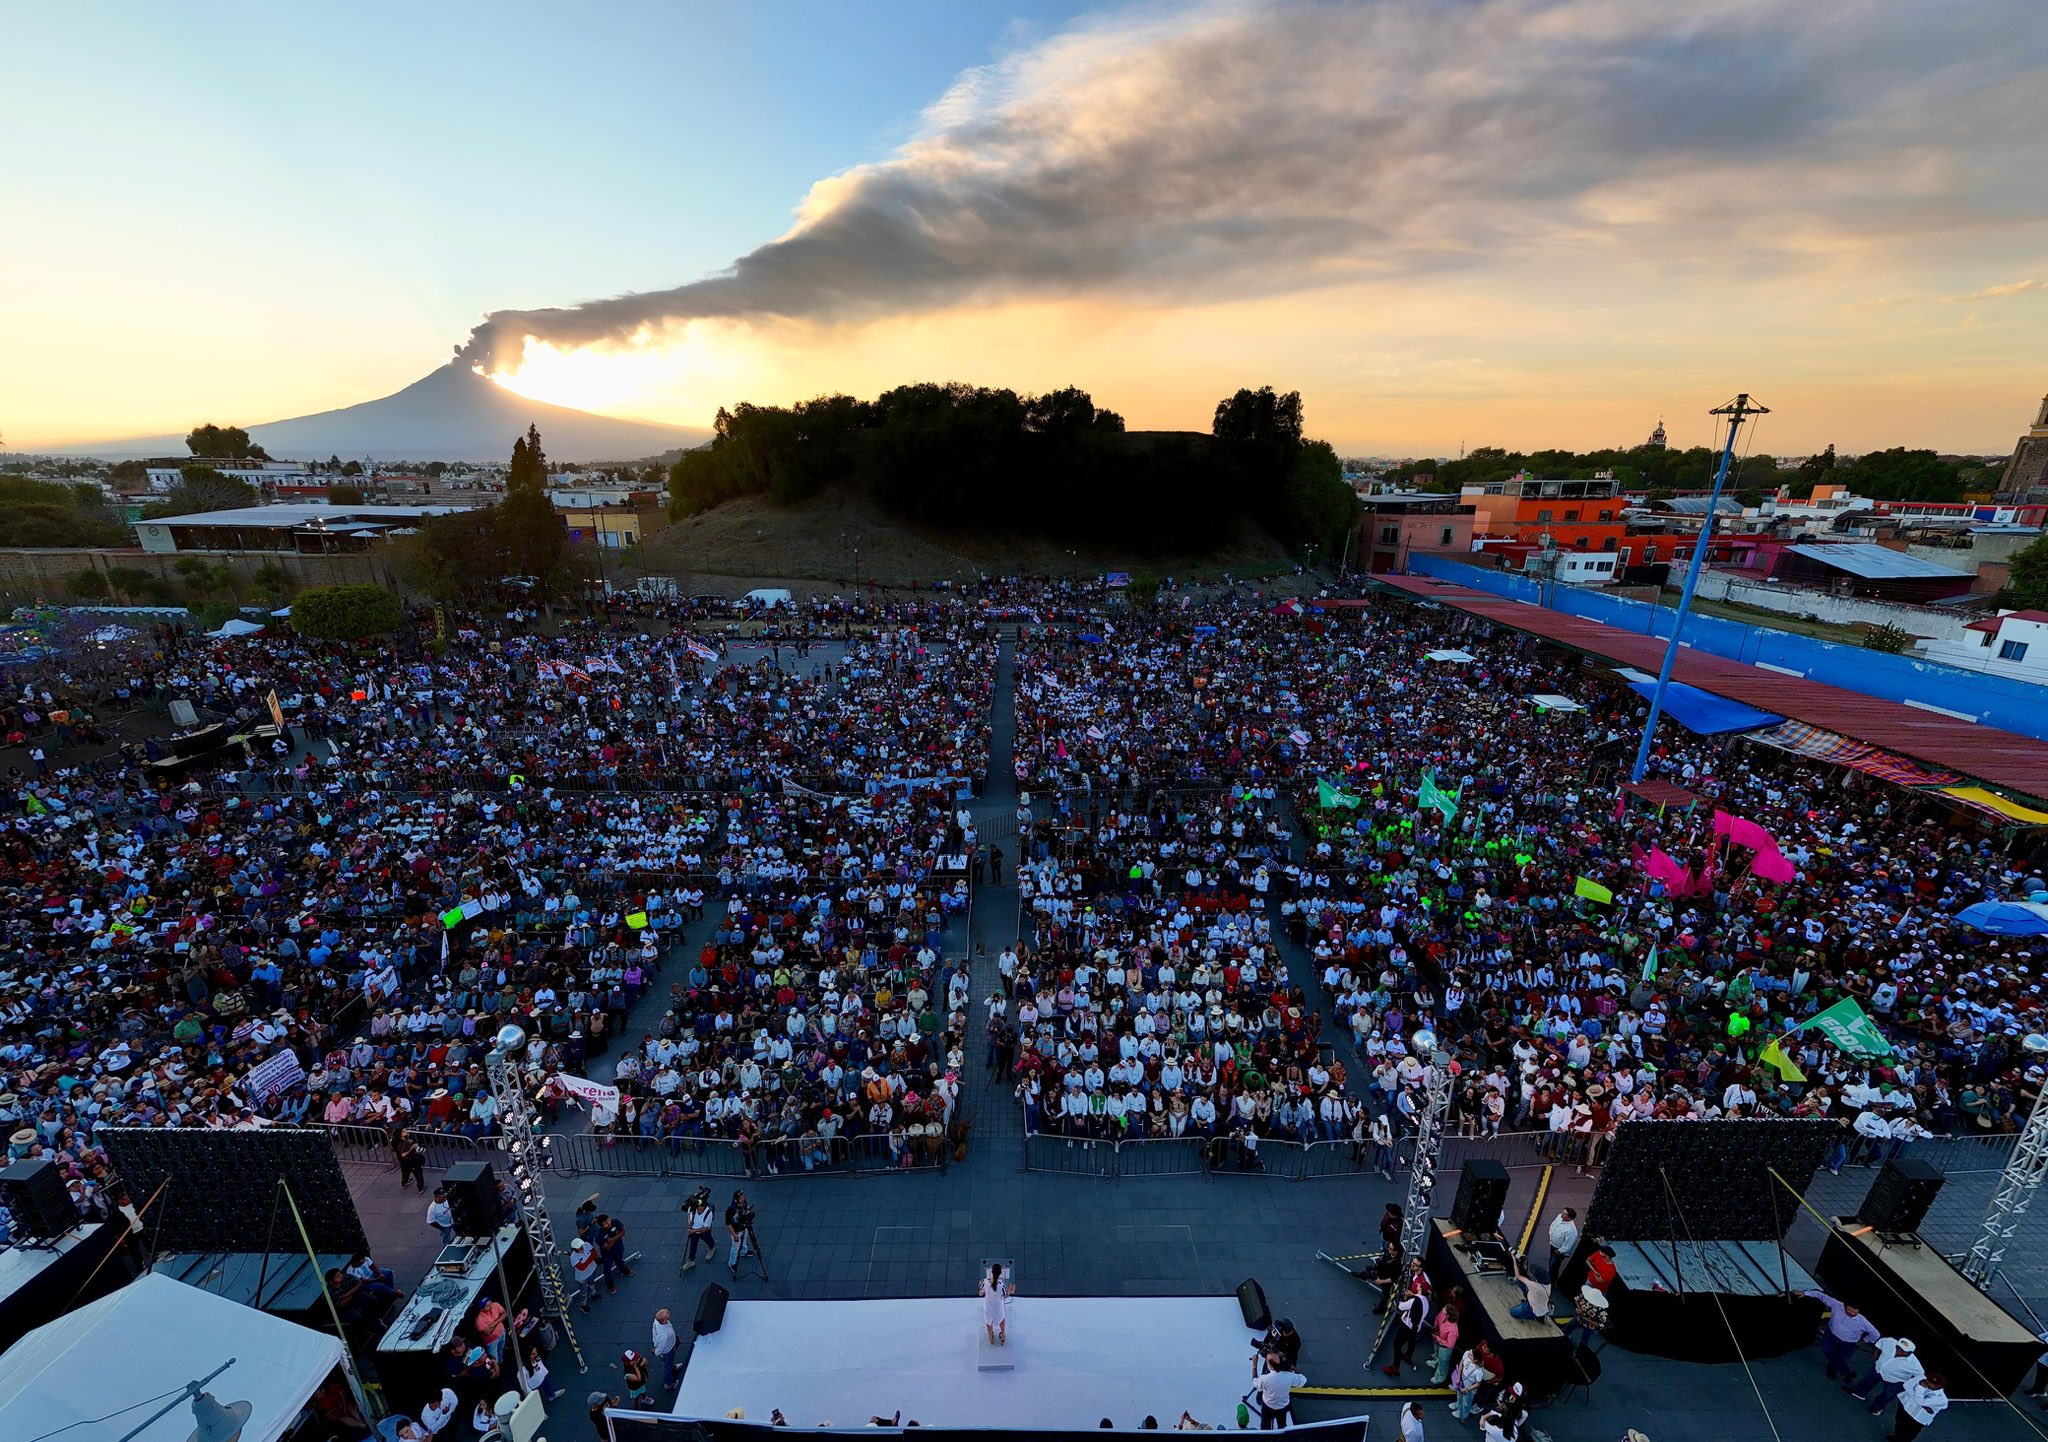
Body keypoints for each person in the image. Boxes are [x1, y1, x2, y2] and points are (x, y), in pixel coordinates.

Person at [1801, 1287, 1881, 1381]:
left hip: (1848, 1343)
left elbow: (1875, 1334)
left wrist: (1862, 1341)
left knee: (1842, 1359)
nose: (1851, 1313)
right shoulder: (1837, 1305)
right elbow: (1821, 1295)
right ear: (1845, 1306)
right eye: (1849, 1310)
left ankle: (1837, 1370)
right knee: (1827, 1350)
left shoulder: (1863, 1322)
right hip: (1831, 1335)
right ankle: (1845, 1372)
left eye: (1855, 1312)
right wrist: (1805, 1293)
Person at [1851, 1334, 1924, 1416]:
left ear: (1910, 1353)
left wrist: (1912, 1386)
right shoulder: (1890, 1342)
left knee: (1887, 1395)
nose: (1899, 1352)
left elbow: (1920, 1376)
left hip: (1895, 1381)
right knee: (1867, 1381)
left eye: (1903, 1351)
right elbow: (1880, 1342)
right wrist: (1876, 1352)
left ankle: (1877, 1407)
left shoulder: (1915, 1364)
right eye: (1898, 1348)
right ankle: (1859, 1393)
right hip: (1877, 1370)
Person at [1250, 1352, 1306, 1430]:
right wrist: (1293, 1368)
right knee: (1282, 1424)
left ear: (1269, 1366)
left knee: (1265, 1425)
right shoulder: (1289, 1376)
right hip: (1283, 1406)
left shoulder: (1265, 1379)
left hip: (1268, 1405)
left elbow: (1255, 1383)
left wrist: (1254, 1365)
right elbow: (1303, 1380)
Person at [1383, 1286, 1429, 1375]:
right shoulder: (1426, 1302)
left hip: (1407, 1326)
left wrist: (1400, 1298)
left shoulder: (1413, 1301)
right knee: (1411, 1341)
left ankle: (1395, 1368)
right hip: (1417, 1327)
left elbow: (1400, 1307)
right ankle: (1408, 1356)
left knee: (1397, 1344)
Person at [1890, 1372, 1948, 1442]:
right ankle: (1897, 1438)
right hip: (1905, 1406)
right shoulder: (1922, 1378)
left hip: (1917, 1418)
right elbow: (1906, 1385)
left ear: (1940, 1386)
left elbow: (1921, 1402)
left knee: (1909, 1434)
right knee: (1899, 1424)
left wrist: (1920, 1387)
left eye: (1933, 1384)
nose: (1928, 1383)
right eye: (1928, 1381)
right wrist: (1917, 1397)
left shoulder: (1941, 1399)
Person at [1508, 1252, 1550, 1321]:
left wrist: (1514, 1259)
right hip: (1536, 1300)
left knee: (1512, 1312)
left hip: (1532, 1309)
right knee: (1521, 1282)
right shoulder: (1546, 1283)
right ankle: (1528, 1301)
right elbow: (1524, 1277)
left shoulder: (1535, 1286)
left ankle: (1533, 1317)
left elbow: (1518, 1276)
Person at [682, 1189, 717, 1273]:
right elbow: (689, 1214)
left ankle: (712, 1247)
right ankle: (691, 1261)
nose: (700, 1211)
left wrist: (693, 1231)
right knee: (693, 1244)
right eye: (698, 1209)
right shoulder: (692, 1208)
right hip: (694, 1229)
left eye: (702, 1210)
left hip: (703, 1231)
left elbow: (705, 1228)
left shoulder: (709, 1213)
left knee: (708, 1239)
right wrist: (689, 1220)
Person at [980, 1261, 1015, 1346]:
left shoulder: (985, 1283)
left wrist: (980, 1287)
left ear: (991, 1271)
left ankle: (990, 1336)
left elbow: (981, 1293)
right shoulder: (1002, 1286)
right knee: (1001, 1319)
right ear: (1000, 1273)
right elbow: (1005, 1295)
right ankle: (1002, 1335)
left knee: (988, 1321)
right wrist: (1010, 1291)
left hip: (988, 1307)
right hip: (998, 1307)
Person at [1546, 1207, 1580, 1290]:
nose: (1562, 1214)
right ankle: (1551, 1275)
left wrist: (1560, 1251)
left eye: (1565, 1214)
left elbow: (1569, 1244)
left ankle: (1551, 1281)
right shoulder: (1559, 1217)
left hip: (1559, 1250)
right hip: (1553, 1245)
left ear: (1570, 1218)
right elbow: (1553, 1224)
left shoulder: (1571, 1230)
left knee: (1554, 1264)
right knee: (1551, 1262)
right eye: (1563, 1212)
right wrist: (1551, 1233)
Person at [726, 1189, 757, 1277]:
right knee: (735, 1247)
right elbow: (728, 1224)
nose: (743, 1198)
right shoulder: (730, 1210)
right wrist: (734, 1235)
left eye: (743, 1197)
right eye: (741, 1198)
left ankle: (743, 1251)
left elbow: (747, 1209)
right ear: (736, 1199)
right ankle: (732, 1262)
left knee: (744, 1240)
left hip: (744, 1226)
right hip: (736, 1231)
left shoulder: (744, 1203)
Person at [653, 1307, 681, 1390]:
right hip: (667, 1350)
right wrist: (656, 1351)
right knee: (667, 1367)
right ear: (665, 1320)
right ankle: (668, 1383)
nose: (667, 1311)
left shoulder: (657, 1321)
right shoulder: (664, 1335)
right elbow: (661, 1347)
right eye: (666, 1313)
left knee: (670, 1361)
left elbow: (653, 1331)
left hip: (671, 1344)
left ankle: (673, 1368)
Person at [394, 1129, 427, 1194]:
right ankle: (420, 1188)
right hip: (410, 1160)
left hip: (405, 1161)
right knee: (418, 1174)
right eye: (404, 1131)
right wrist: (412, 1148)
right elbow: (403, 1154)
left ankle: (404, 1183)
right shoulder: (403, 1143)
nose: (407, 1131)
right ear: (400, 1135)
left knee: (406, 1172)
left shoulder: (405, 1140)